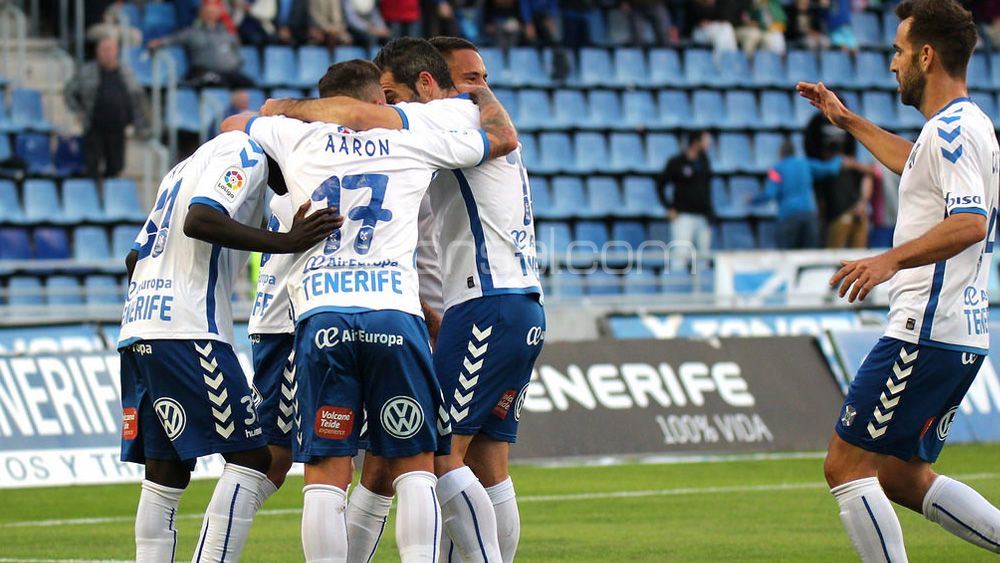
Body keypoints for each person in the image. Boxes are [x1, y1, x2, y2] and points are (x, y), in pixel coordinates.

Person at [222, 58, 519, 562]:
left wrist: (291, 115)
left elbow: (232, 125)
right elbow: (497, 140)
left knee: (327, 470)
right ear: (379, 101)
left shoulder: (294, 136)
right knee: (416, 464)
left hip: (322, 319)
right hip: (393, 316)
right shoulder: (413, 137)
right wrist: (479, 95)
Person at [798, 0, 1000, 559]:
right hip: (956, 333)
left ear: (926, 56)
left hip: (924, 331)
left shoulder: (953, 130)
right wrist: (849, 120)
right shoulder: (965, 125)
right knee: (901, 478)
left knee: (845, 466)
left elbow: (968, 221)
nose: (892, 63)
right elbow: (919, 164)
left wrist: (890, 261)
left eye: (898, 50)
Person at [118, 130, 341, 562]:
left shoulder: (181, 170)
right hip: (189, 329)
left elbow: (133, 258)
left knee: (166, 474)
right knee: (252, 457)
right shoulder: (244, 152)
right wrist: (287, 241)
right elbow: (199, 219)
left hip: (140, 325)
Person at [64, 36, 149, 180]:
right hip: (94, 128)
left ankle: (111, 198)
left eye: (110, 50)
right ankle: (94, 197)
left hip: (118, 130)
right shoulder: (87, 72)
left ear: (116, 52)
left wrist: (140, 125)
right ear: (97, 52)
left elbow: (137, 98)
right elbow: (69, 92)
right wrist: (78, 111)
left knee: (115, 168)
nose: (107, 53)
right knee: (92, 167)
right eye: (104, 50)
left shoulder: (126, 73)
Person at [754, 140, 844, 249]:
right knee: (809, 258)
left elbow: (769, 194)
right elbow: (831, 169)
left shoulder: (776, 170)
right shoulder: (805, 164)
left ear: (781, 153)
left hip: (788, 217)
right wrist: (839, 158)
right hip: (808, 215)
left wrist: (753, 200)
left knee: (787, 258)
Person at [148, 3, 255, 88]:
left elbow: (237, 51)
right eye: (208, 12)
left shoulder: (226, 33)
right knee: (217, 82)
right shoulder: (192, 32)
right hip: (205, 73)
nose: (210, 15)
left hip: (230, 73)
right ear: (201, 14)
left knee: (250, 84)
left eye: (213, 13)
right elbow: (174, 38)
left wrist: (235, 62)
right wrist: (159, 42)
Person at [660, 131, 714, 263]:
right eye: (705, 140)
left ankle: (701, 284)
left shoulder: (704, 162)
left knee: (704, 258)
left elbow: (706, 189)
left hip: (702, 217)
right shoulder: (676, 162)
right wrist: (668, 207)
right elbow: (660, 185)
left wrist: (710, 212)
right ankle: (676, 283)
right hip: (683, 216)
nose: (709, 143)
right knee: (680, 256)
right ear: (696, 143)